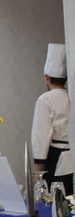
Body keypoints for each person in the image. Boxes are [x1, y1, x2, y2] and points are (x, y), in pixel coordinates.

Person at [32, 43, 72, 195]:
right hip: (71, 155)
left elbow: (41, 136)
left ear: (47, 78)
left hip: (56, 159)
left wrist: (38, 171)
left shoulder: (45, 99)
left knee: (57, 201)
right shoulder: (71, 96)